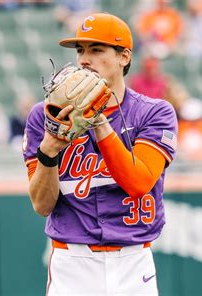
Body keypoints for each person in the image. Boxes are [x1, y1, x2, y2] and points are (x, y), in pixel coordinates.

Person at [23, 12, 177, 296]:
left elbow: (138, 183)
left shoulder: (154, 113)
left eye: (97, 49)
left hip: (133, 261)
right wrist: (48, 152)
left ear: (124, 57)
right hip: (72, 261)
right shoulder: (46, 115)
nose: (84, 59)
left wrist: (99, 121)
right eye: (80, 50)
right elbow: (42, 206)